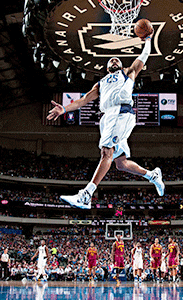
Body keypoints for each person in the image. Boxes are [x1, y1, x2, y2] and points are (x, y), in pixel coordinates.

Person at [47, 31, 165, 210]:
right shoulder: (101, 83)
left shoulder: (128, 72)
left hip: (120, 112)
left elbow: (144, 56)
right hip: (108, 117)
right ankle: (152, 175)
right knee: (120, 163)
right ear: (107, 67)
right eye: (111, 60)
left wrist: (148, 40)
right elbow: (83, 100)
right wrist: (63, 108)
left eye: (117, 59)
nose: (114, 60)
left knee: (106, 153)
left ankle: (86, 195)